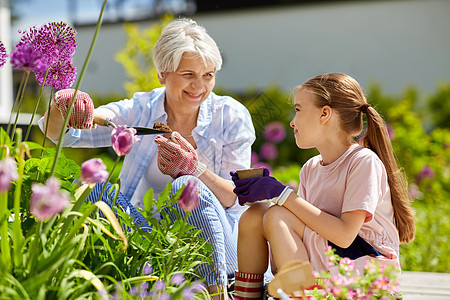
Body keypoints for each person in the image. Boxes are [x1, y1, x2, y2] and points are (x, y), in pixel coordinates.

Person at [39, 18, 255, 299]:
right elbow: (67, 135)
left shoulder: (231, 116)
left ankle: (218, 294)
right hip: (150, 239)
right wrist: (64, 105)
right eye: (189, 74)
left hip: (220, 252)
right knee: (94, 189)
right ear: (162, 74)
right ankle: (112, 278)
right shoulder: (142, 109)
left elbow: (239, 199)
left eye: (208, 75)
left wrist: (194, 169)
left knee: (186, 186)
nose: (199, 86)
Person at [230, 73, 415, 299]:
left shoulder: (363, 162)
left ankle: (300, 293)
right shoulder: (310, 168)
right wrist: (269, 194)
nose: (292, 121)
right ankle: (249, 296)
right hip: (329, 264)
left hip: (365, 276)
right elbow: (306, 227)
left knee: (277, 214)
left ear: (325, 114)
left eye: (298, 110)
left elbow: (345, 235)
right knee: (255, 215)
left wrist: (281, 195)